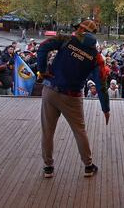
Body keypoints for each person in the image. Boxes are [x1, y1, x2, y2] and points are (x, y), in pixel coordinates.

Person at [37, 19, 110, 178]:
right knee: (79, 131)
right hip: (72, 97)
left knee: (47, 131)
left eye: (77, 28)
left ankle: (48, 168)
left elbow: (42, 48)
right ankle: (88, 166)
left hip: (50, 90)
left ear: (80, 30)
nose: (75, 30)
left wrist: (42, 71)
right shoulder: (96, 58)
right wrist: (106, 109)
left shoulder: (66, 40)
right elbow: (101, 85)